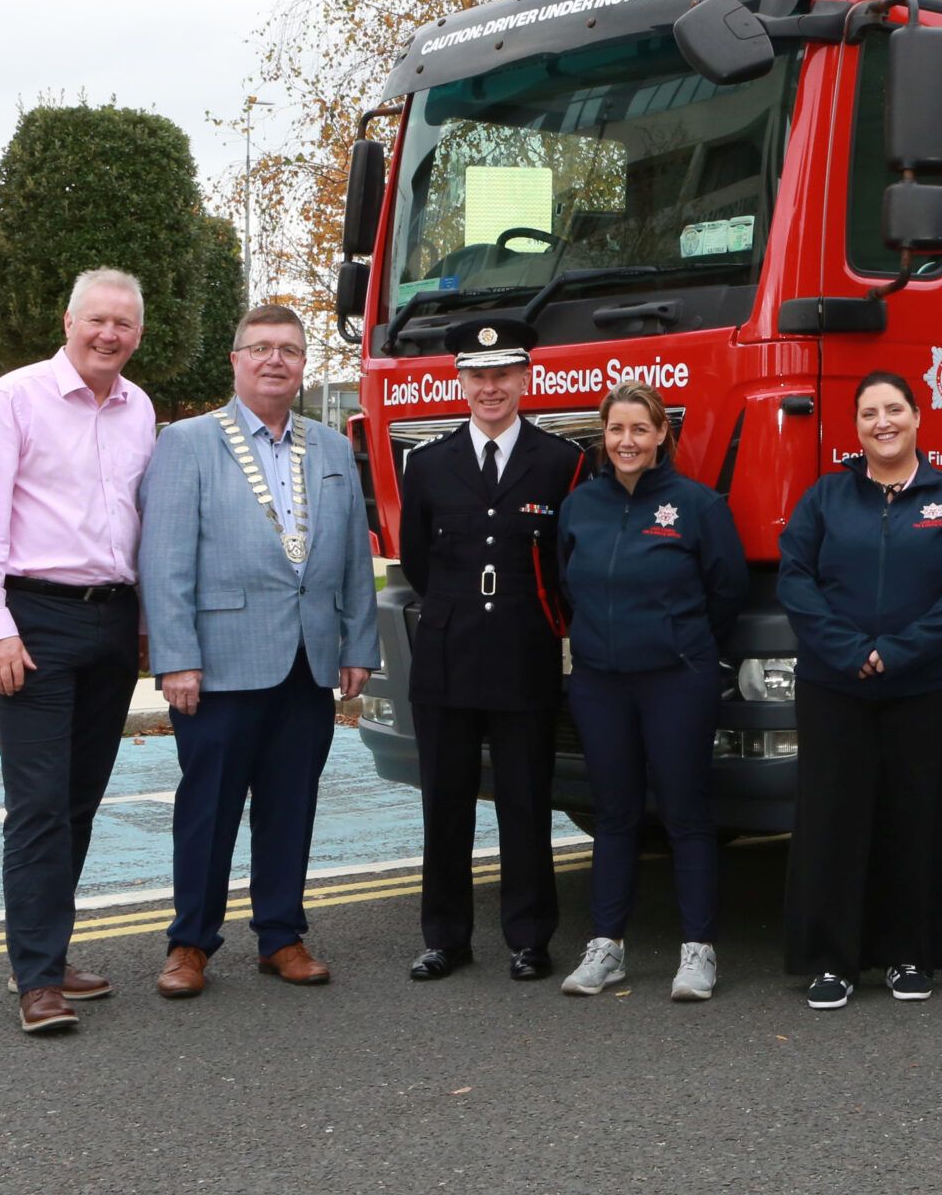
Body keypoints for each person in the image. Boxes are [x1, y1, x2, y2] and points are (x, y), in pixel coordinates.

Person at [141, 304, 379, 998]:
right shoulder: (187, 443)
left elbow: (354, 562)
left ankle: (281, 936)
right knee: (208, 810)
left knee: (291, 804)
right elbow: (164, 561)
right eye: (261, 348)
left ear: (304, 364)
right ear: (236, 360)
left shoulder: (331, 449)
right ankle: (190, 943)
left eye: (289, 350)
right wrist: (176, 657)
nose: (276, 360)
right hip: (218, 663)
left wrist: (357, 641)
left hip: (308, 661)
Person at [0, 269, 158, 1033]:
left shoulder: (139, 409)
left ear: (138, 334)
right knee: (38, 806)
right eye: (98, 320)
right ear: (68, 319)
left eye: (125, 325)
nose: (110, 335)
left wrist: (143, 627)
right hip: (34, 621)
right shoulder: (13, 399)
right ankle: (37, 980)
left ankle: (48, 947)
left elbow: (136, 525)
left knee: (78, 800)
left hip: (112, 621)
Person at [778, 371, 942, 1009]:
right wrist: (849, 651)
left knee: (918, 818)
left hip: (926, 685)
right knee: (832, 820)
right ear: (857, 427)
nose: (883, 422)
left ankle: (909, 955)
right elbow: (796, 580)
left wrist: (899, 651)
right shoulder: (825, 497)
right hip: (834, 685)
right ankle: (830, 961)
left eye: (894, 409)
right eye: (870, 413)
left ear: (918, 416)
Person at [397, 319, 582, 984]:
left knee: (525, 803)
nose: (490, 387)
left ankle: (530, 937)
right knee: (444, 804)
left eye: (503, 373)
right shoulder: (427, 463)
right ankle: (445, 937)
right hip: (447, 655)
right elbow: (419, 561)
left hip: (523, 652)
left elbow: (565, 563)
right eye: (478, 375)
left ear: (525, 378)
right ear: (461, 382)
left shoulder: (562, 463)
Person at [554, 381, 748, 1002]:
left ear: (663, 434)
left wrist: (683, 646)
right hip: (600, 682)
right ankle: (606, 946)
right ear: (603, 437)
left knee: (686, 814)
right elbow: (566, 584)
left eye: (640, 429)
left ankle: (699, 952)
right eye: (616, 430)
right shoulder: (580, 505)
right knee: (613, 814)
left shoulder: (697, 506)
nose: (627, 441)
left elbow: (727, 590)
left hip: (677, 679)